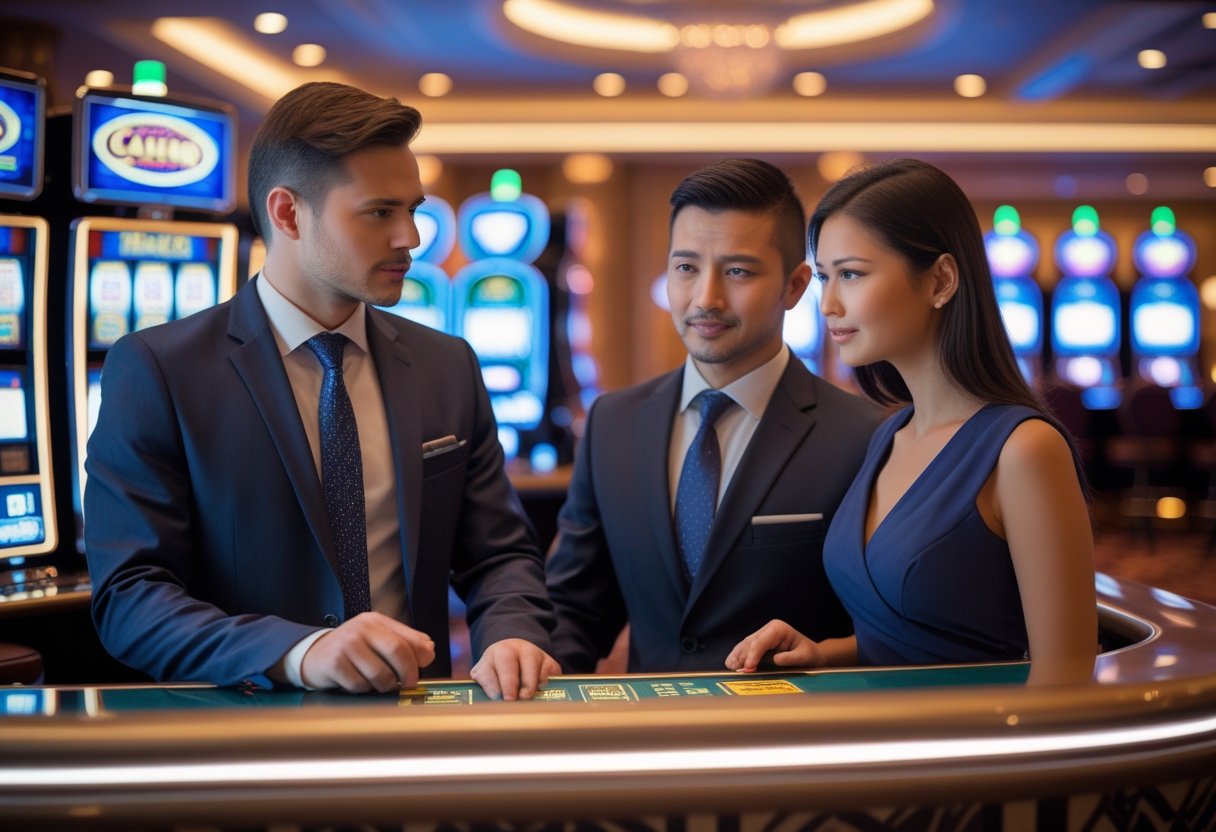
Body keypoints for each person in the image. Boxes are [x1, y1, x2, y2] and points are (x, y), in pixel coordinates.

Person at [85, 81, 559, 699]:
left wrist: (511, 633)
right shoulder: (158, 368)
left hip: (418, 730)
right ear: (288, 213)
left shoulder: (447, 363)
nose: (410, 238)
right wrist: (298, 652)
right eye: (379, 212)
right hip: (242, 733)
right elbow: (131, 596)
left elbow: (499, 557)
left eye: (413, 210)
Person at [726, 159, 1097, 686]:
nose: (828, 304)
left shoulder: (1024, 449)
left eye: (851, 274)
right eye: (826, 277)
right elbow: (914, 640)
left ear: (941, 280)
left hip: (969, 754)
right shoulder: (890, 435)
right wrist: (824, 654)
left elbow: (1065, 681)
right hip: (883, 742)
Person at [545, 159, 882, 673]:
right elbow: (575, 608)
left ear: (795, 287)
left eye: (737, 271)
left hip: (795, 739)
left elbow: (881, 629)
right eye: (686, 268)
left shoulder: (864, 435)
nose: (706, 298)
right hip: (650, 737)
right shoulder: (613, 423)